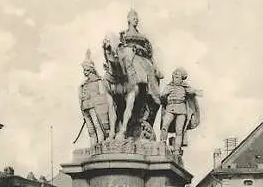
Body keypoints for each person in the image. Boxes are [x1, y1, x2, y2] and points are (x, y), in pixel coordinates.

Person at [110, 9, 163, 137]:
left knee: (148, 74)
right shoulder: (122, 35)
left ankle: (148, 91)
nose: (136, 19)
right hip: (128, 58)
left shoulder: (143, 37)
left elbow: (150, 54)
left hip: (142, 60)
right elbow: (118, 49)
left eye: (137, 17)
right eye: (133, 17)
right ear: (128, 19)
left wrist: (155, 66)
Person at [78, 50, 116, 145]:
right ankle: (93, 147)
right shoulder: (83, 84)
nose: (85, 72)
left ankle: (100, 144)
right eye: (84, 70)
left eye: (86, 70)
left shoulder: (99, 81)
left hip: (95, 108)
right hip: (86, 108)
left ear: (91, 70)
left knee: (97, 126)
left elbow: (103, 98)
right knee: (91, 130)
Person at [160, 67, 201, 155]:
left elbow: (196, 92)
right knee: (164, 126)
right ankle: (162, 145)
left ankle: (176, 150)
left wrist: (196, 92)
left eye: (177, 75)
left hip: (181, 110)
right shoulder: (168, 86)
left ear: (181, 78)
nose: (175, 76)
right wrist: (164, 96)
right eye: (174, 75)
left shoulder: (185, 87)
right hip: (170, 108)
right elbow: (162, 97)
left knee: (179, 130)